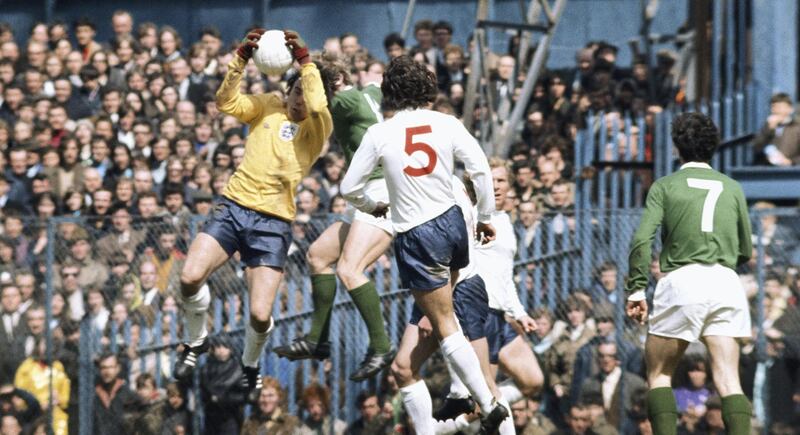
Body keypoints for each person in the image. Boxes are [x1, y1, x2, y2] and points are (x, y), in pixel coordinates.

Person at [340, 55, 507, 433]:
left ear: (390, 93)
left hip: (418, 232)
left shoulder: (381, 132)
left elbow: (348, 187)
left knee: (445, 324)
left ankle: (487, 402)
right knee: (439, 321)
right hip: (453, 226)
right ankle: (462, 403)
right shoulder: (446, 122)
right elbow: (479, 168)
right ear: (427, 90)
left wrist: (373, 206)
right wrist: (485, 216)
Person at [172, 28, 334, 403]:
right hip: (233, 207)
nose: (299, 101)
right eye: (295, 91)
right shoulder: (268, 105)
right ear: (287, 89)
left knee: (260, 315)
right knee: (190, 276)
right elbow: (226, 102)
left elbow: (321, 105)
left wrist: (307, 63)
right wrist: (240, 60)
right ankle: (195, 341)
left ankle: (250, 362)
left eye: (306, 95)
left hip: (273, 223)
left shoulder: (316, 127)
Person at [625, 112, 753, 435]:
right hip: (725, 281)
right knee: (729, 379)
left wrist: (637, 288)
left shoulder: (665, 186)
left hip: (682, 280)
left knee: (659, 373)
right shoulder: (732, 187)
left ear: (677, 147)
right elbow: (746, 251)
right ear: (714, 147)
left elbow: (642, 239)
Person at [274, 57, 395, 381]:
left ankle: (382, 346)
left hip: (382, 192)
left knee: (349, 269)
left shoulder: (344, 100)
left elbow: (314, 110)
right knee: (317, 256)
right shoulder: (370, 91)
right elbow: (376, 79)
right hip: (370, 191)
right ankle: (318, 339)